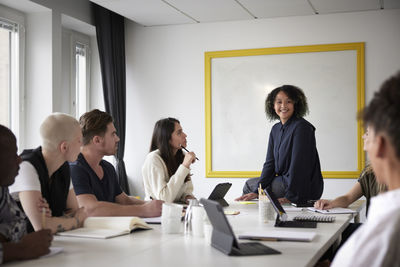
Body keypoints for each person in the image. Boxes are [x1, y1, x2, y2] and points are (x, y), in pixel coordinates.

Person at [331, 71, 400, 267]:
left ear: (380, 145)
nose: (364, 146)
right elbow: (347, 198)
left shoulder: (382, 236)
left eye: (367, 137)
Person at [236, 85, 323, 204]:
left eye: (289, 101)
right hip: (284, 182)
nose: (283, 106)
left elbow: (299, 165)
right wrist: (257, 191)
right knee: (252, 186)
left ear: (296, 104)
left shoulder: (302, 127)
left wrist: (290, 197)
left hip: (302, 186)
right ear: (273, 105)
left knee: (249, 185)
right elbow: (270, 164)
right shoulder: (275, 129)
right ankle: (259, 218)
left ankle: (254, 218)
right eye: (279, 102)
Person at [70, 109, 163, 217]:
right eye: (113, 134)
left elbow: (124, 201)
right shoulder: (75, 168)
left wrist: (158, 207)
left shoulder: (107, 167)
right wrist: (144, 210)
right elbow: (90, 209)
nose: (118, 139)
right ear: (97, 140)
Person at [9, 113, 87, 234]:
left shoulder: (63, 167)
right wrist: (75, 220)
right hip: (14, 248)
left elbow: (74, 211)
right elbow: (43, 227)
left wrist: (55, 221)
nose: (82, 145)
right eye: (79, 141)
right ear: (64, 147)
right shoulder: (26, 168)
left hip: (48, 245)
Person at [0, 125, 52, 264]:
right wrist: (19, 249)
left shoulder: (2, 188)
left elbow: (16, 225)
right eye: (13, 154)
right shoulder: (30, 165)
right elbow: (19, 240)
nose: (20, 160)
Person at [314, 126, 387, 215]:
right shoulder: (369, 172)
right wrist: (332, 203)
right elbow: (348, 198)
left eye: (367, 133)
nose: (363, 136)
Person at [142, 118, 197, 203]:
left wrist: (188, 197)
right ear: (167, 138)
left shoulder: (180, 155)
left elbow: (187, 190)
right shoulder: (153, 159)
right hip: (157, 214)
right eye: (179, 133)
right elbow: (164, 199)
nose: (185, 135)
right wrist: (184, 166)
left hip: (177, 210)